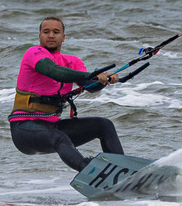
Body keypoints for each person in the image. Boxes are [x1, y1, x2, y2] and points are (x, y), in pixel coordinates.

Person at [9, 16, 123, 172]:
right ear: (39, 36)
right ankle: (90, 173)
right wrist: (94, 75)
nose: (50, 35)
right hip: (24, 129)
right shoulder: (33, 53)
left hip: (52, 127)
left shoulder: (72, 61)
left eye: (56, 32)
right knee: (60, 138)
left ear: (63, 38)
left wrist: (105, 80)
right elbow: (55, 72)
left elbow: (90, 86)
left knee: (104, 125)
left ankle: (121, 171)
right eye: (46, 31)